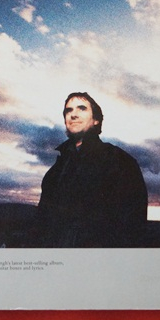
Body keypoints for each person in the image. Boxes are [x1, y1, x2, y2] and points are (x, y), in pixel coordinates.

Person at [37, 92, 148, 247]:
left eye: (81, 108)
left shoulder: (119, 161)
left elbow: (133, 225)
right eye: (68, 110)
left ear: (96, 120)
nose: (73, 114)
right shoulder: (55, 172)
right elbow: (42, 222)